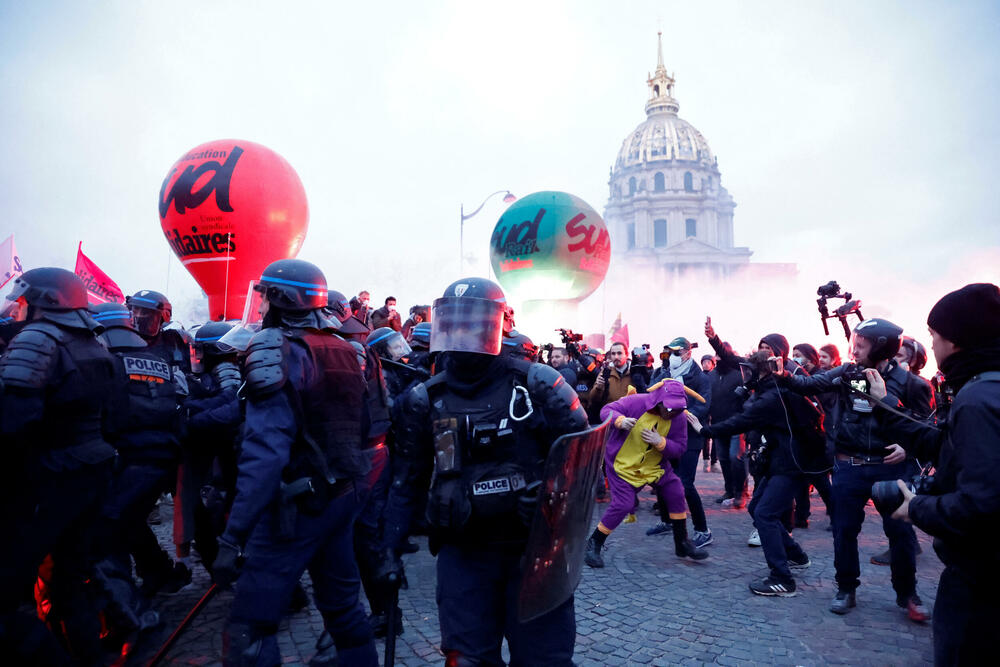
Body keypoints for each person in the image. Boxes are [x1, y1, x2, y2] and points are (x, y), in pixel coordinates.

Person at [384, 277, 588, 666]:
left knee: (544, 661)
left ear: (501, 323)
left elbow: (584, 462)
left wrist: (549, 494)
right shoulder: (425, 398)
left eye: (474, 321)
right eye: (456, 321)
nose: (464, 331)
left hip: (533, 551)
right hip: (464, 552)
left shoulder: (539, 386)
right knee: (466, 660)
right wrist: (388, 551)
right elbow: (405, 480)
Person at [211, 259, 377, 666]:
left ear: (282, 298)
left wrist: (233, 536)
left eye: (266, 295)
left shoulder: (277, 349)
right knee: (342, 608)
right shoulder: (347, 348)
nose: (262, 304)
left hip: (296, 504)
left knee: (250, 624)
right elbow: (372, 431)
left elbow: (266, 453)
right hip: (341, 495)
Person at [869, 282, 1000, 665]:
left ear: (956, 341)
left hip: (980, 581)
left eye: (934, 336)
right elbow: (946, 445)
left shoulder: (977, 400)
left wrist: (916, 508)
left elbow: (984, 505)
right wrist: (883, 406)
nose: (933, 345)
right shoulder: (983, 389)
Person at [777, 318, 934, 621]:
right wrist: (784, 373)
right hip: (849, 466)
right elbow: (808, 384)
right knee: (844, 531)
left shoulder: (913, 384)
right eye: (855, 342)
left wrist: (909, 446)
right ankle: (846, 588)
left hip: (891, 469)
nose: (855, 348)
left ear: (882, 347)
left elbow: (927, 426)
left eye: (862, 344)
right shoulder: (847, 372)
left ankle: (907, 594)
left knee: (900, 534)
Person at [0, 268, 119, 664]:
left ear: (43, 302)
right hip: (92, 469)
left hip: (49, 476)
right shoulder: (93, 340)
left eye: (23, 302)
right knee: (70, 582)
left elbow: (14, 418)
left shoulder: (39, 337)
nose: (18, 310)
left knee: (9, 597)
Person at [687, 351, 827, 597]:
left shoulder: (771, 396)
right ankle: (796, 556)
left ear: (760, 371)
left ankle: (782, 579)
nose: (746, 376)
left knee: (765, 513)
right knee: (757, 509)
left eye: (750, 371)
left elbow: (741, 422)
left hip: (790, 464)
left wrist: (704, 430)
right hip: (784, 460)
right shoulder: (773, 388)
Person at [584, 380, 708, 568]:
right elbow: (606, 410)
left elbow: (680, 448)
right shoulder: (637, 402)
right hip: (623, 465)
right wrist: (620, 420)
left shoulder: (679, 417)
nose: (671, 413)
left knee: (676, 491)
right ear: (659, 401)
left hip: (655, 465)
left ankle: (682, 542)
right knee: (623, 504)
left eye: (676, 409)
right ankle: (594, 542)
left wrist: (661, 442)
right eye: (668, 408)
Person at [648, 337, 713, 548]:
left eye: (676, 353)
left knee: (685, 483)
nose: (672, 357)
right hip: (667, 435)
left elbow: (704, 404)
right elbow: (650, 393)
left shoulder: (700, 378)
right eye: (669, 352)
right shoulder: (664, 372)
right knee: (662, 477)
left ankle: (703, 530)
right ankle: (667, 520)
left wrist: (684, 415)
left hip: (690, 438)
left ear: (687, 353)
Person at [789, 343, 833, 529]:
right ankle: (801, 515)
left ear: (809, 356)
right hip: (802, 433)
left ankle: (835, 512)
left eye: (798, 354)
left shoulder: (820, 377)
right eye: (793, 354)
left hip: (817, 433)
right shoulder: (798, 375)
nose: (795, 358)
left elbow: (824, 404)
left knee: (820, 478)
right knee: (801, 477)